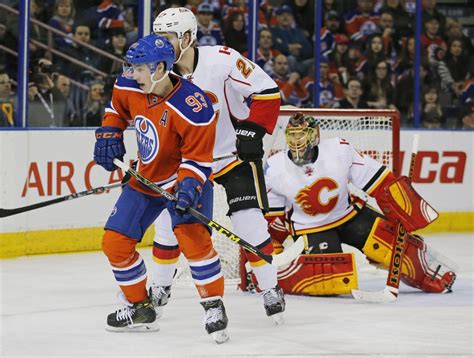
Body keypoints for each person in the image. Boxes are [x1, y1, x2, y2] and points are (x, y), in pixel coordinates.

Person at [152, 7, 285, 324]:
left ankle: (270, 288)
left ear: (187, 37)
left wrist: (253, 129)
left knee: (249, 222)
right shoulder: (157, 72)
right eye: (158, 38)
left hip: (231, 156)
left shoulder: (223, 60)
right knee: (167, 224)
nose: (160, 45)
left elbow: (267, 91)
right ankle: (159, 286)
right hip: (189, 161)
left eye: (167, 38)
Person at [93, 34, 229, 343]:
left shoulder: (195, 107)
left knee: (192, 240)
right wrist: (109, 134)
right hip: (145, 180)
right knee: (115, 242)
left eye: (140, 68)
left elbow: (197, 158)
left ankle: (213, 305)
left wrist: (189, 186)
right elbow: (116, 110)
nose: (132, 74)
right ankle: (141, 307)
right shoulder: (129, 85)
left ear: (160, 68)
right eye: (131, 67)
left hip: (184, 181)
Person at [241, 112, 456, 297]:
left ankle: (431, 274)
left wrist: (403, 205)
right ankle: (275, 278)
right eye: (293, 136)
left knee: (391, 242)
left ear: (314, 136)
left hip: (349, 215)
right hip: (310, 228)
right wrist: (269, 257)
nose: (297, 142)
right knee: (329, 277)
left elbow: (379, 182)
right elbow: (273, 218)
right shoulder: (275, 167)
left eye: (302, 135)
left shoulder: (338, 149)